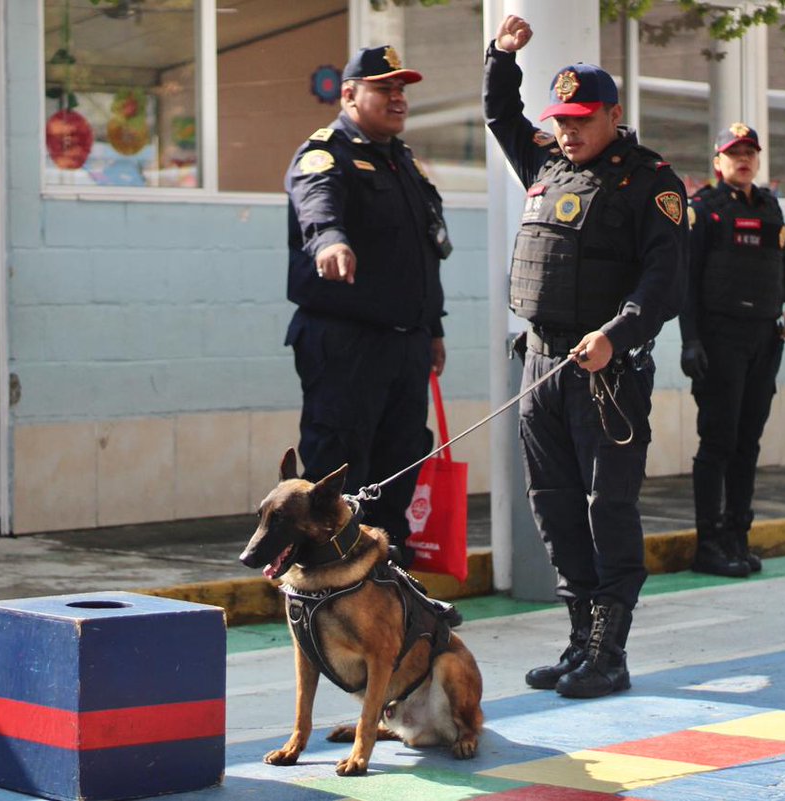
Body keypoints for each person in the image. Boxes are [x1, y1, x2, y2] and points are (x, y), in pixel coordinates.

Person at [485, 16, 686, 699]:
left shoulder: (651, 182)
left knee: (608, 508)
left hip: (607, 372)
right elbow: (499, 115)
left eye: (581, 120)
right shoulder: (547, 164)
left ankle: (610, 651)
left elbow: (664, 282)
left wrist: (616, 336)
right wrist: (501, 55)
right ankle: (579, 638)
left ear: (613, 115)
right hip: (542, 365)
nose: (568, 132)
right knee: (555, 505)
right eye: (560, 121)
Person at [284, 45, 452, 568]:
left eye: (401, 90)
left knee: (400, 465)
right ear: (350, 95)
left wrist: (433, 327)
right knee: (337, 470)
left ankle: (385, 577)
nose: (397, 98)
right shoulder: (325, 154)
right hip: (346, 342)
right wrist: (330, 241)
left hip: (406, 343)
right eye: (384, 89)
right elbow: (318, 207)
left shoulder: (404, 162)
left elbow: (422, 253)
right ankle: (324, 582)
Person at [681, 123, 785, 578]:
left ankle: (737, 535)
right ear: (718, 161)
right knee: (719, 440)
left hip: (764, 339)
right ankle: (708, 543)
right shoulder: (704, 210)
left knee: (748, 442)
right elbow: (686, 280)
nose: (744, 159)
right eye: (735, 153)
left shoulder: (770, 206)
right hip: (721, 339)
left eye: (750, 152)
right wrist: (690, 340)